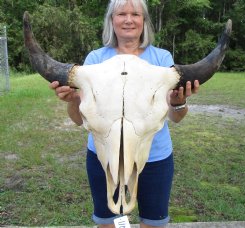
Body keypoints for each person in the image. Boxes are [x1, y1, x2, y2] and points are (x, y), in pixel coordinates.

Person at [50, 0, 199, 227]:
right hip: (103, 158)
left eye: (135, 14)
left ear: (144, 21)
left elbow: (175, 116)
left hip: (155, 158)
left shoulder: (162, 60)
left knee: (154, 222)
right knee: (106, 222)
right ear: (112, 20)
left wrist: (179, 102)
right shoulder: (95, 60)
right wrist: (72, 100)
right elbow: (79, 118)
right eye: (121, 14)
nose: (128, 20)